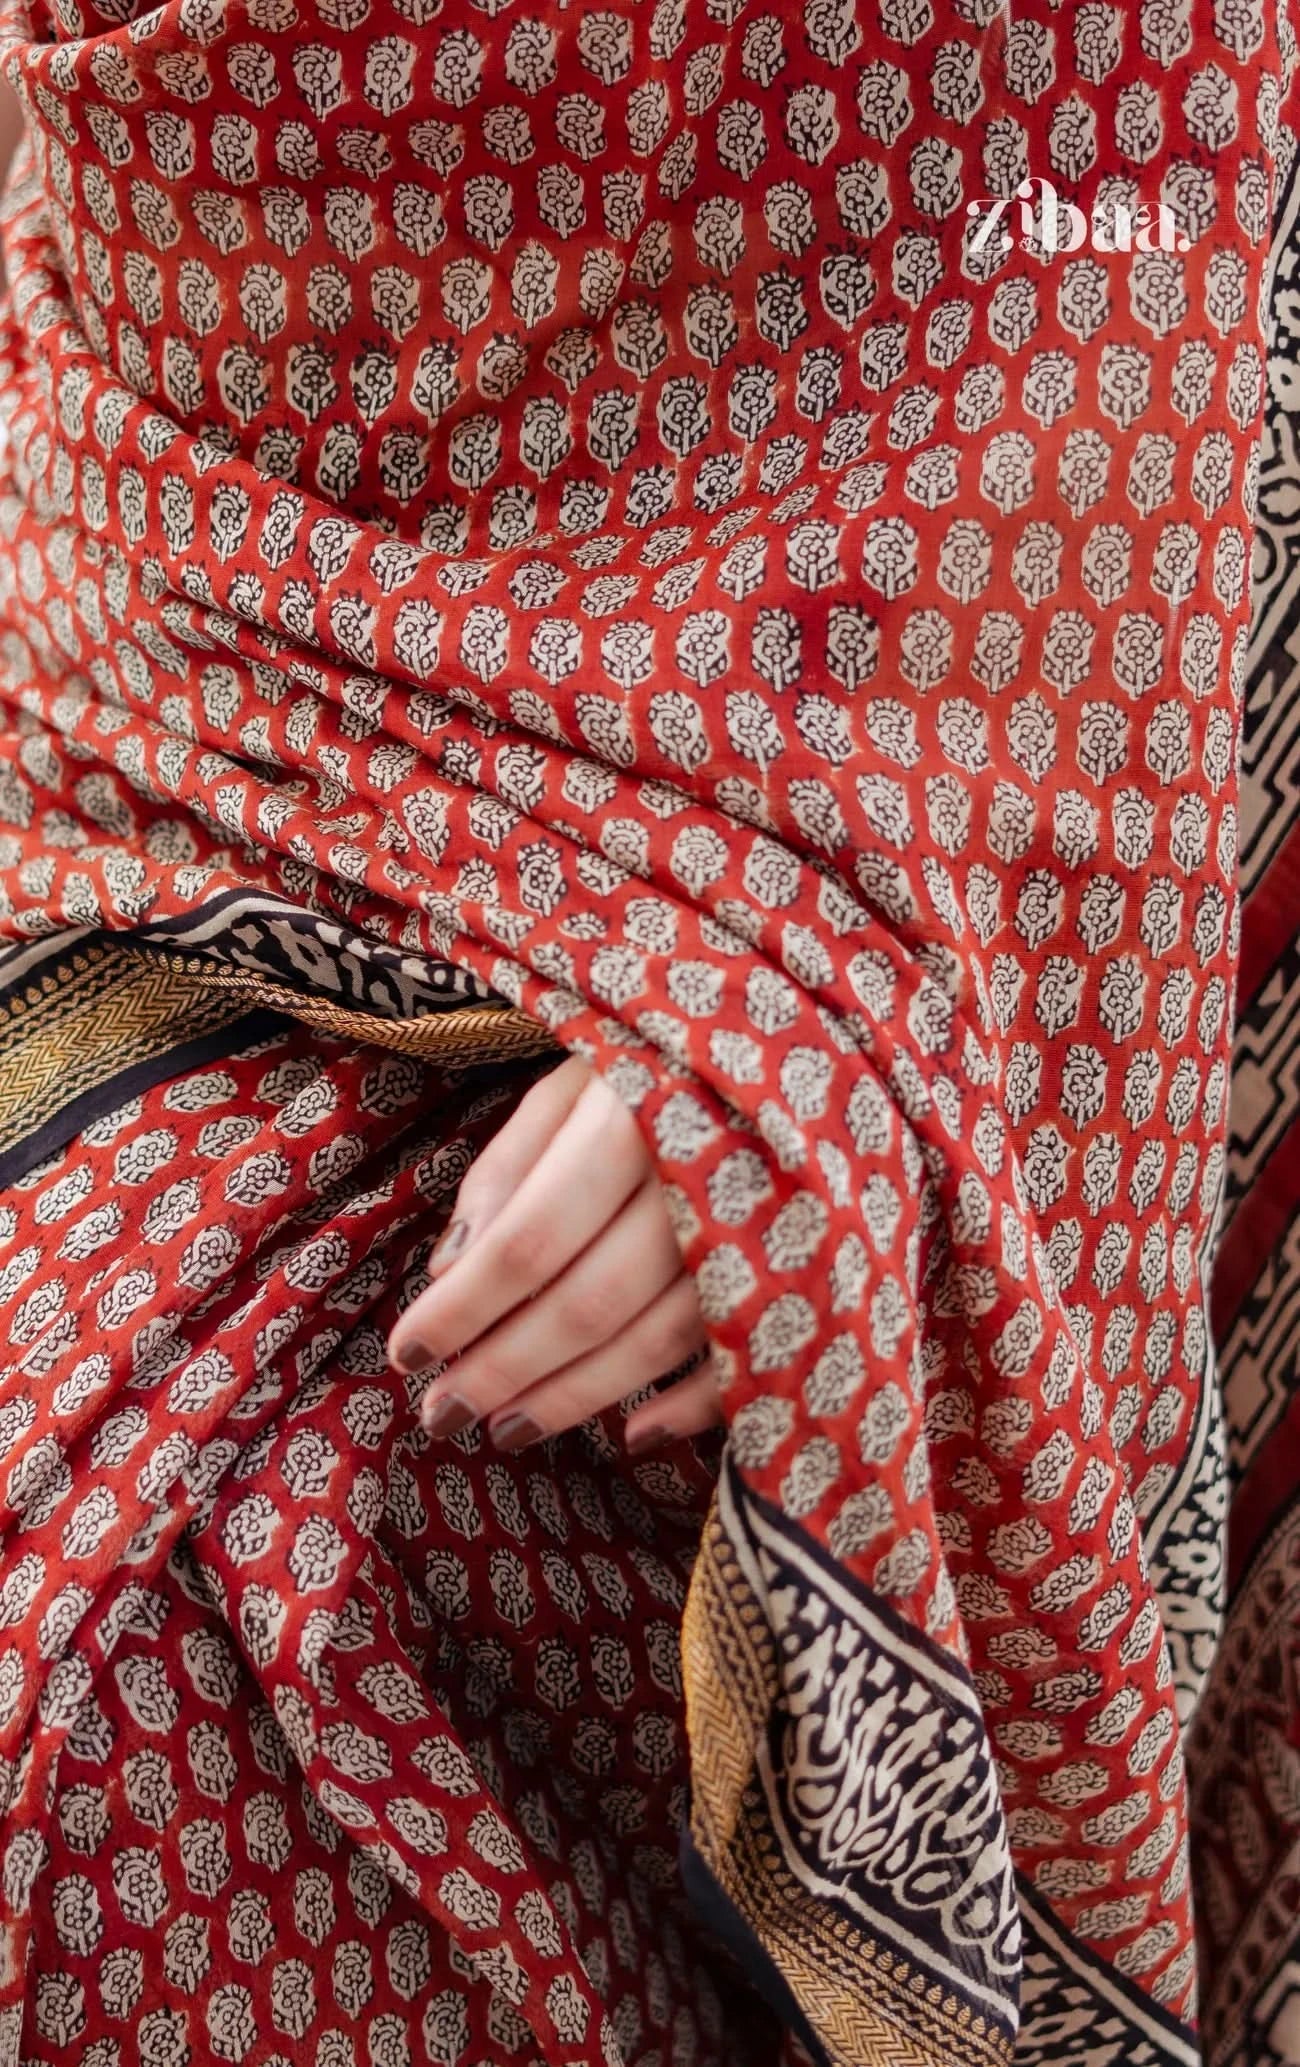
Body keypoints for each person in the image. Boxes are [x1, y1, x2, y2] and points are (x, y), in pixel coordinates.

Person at [0, 0, 1293, 2060]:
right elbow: (116, 288)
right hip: (139, 779)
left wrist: (798, 1047)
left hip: (875, 979)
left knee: (203, 1652)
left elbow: (1097, 285)